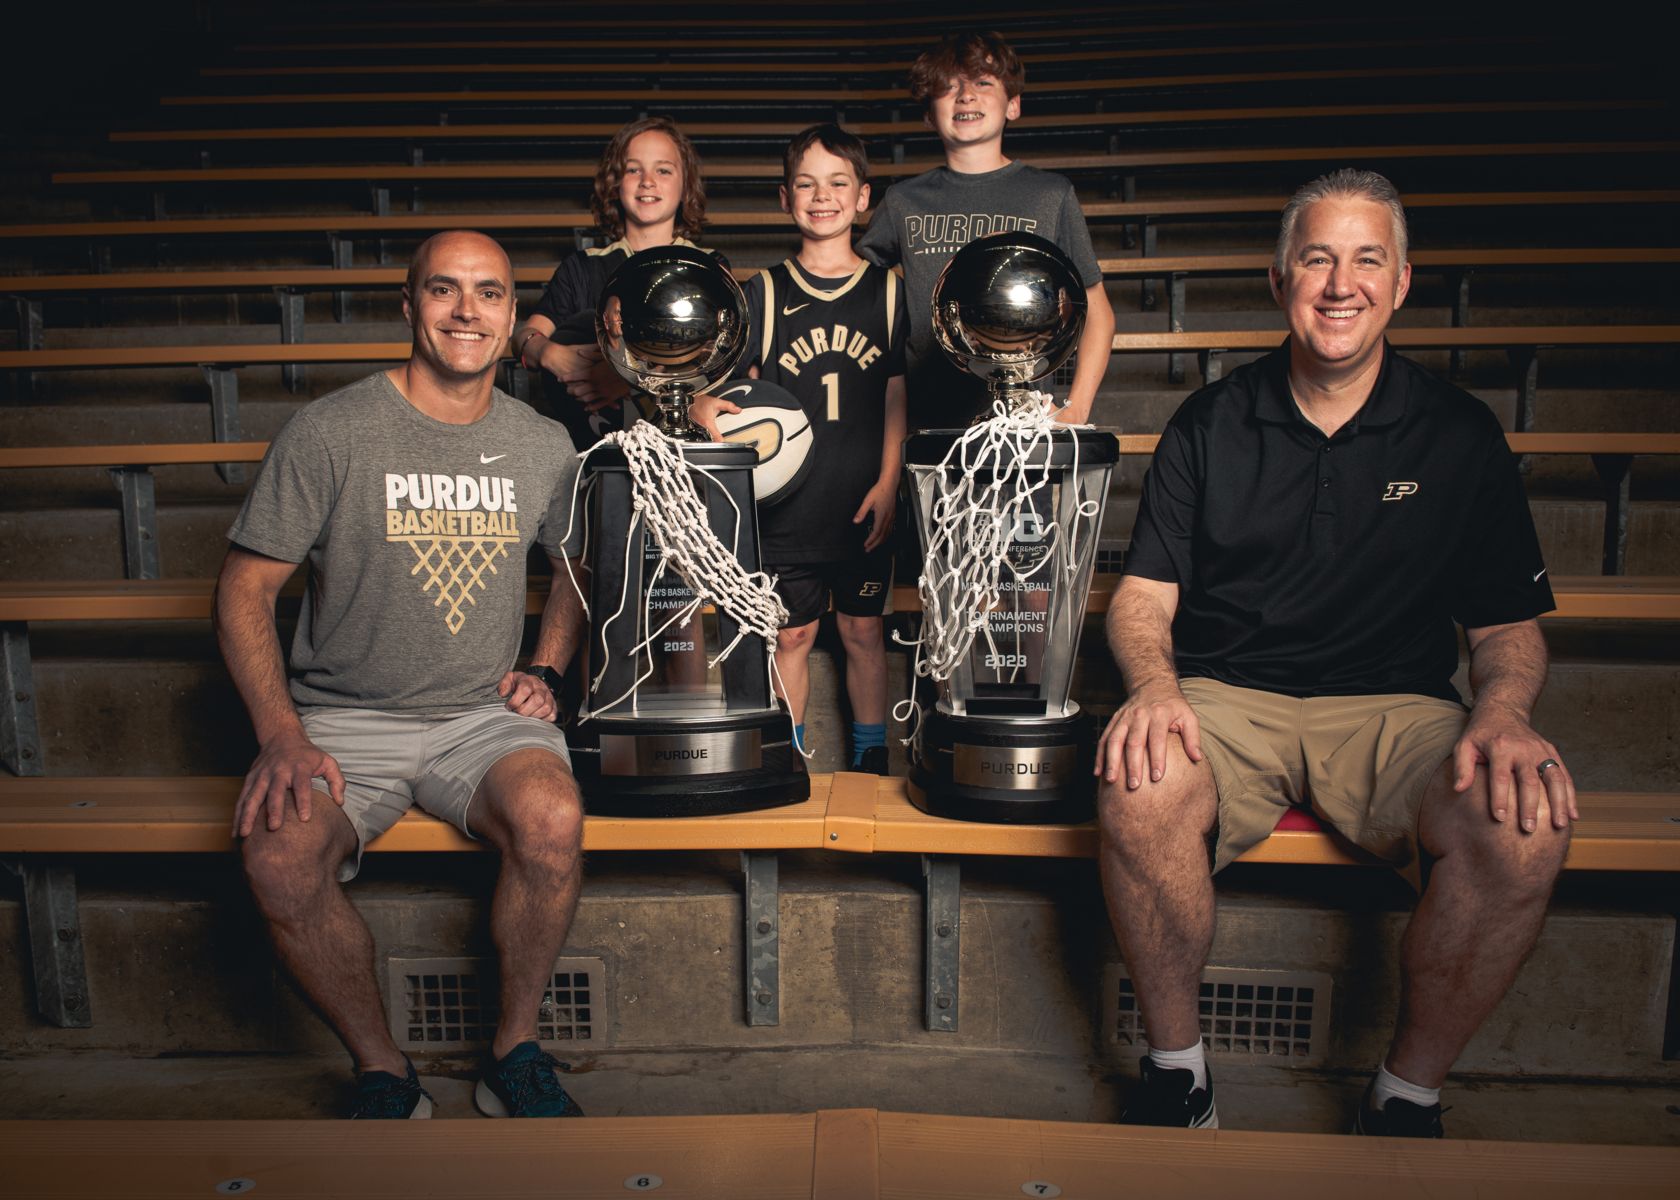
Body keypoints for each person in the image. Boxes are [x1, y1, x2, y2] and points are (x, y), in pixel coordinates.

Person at [1095, 168, 1576, 1136]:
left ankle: (1406, 1095)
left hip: (1395, 709)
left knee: (1524, 822)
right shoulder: (1211, 424)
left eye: (1367, 260)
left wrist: (1504, 715)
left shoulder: (1459, 434)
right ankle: (1179, 1075)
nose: (1340, 283)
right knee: (1136, 780)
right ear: (1280, 282)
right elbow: (1142, 600)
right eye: (1317, 259)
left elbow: (1505, 630)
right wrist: (1153, 687)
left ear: (1401, 284)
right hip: (1229, 695)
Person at [215, 230, 590, 1120]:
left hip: (480, 717)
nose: (468, 311)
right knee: (276, 859)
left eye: (490, 294)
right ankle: (383, 1071)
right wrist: (280, 732)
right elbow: (243, 589)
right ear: (410, 305)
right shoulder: (333, 430)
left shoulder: (543, 444)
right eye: (445, 290)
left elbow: (576, 570)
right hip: (343, 717)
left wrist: (545, 665)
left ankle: (514, 1052)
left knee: (554, 817)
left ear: (511, 318)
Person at [691, 124, 907, 772]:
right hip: (789, 503)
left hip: (864, 492)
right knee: (792, 632)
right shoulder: (764, 292)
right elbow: (723, 387)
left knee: (864, 632)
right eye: (807, 185)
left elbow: (898, 396)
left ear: (863, 198)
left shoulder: (890, 290)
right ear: (786, 198)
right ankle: (786, 760)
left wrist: (891, 482)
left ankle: (871, 759)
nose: (823, 197)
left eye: (838, 183)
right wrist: (702, 404)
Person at [856, 30, 1114, 429]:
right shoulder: (903, 201)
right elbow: (847, 290)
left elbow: (1098, 312)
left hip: (1021, 429)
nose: (965, 96)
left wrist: (1076, 408)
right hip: (925, 422)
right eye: (948, 87)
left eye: (982, 83)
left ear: (1013, 105)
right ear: (928, 114)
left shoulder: (1050, 194)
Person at [514, 116, 727, 449]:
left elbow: (716, 359)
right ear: (615, 183)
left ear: (686, 185)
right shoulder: (582, 267)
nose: (647, 182)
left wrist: (626, 380)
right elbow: (524, 335)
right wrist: (549, 352)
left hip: (676, 447)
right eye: (633, 169)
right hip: (591, 441)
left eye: (664, 170)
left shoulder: (707, 266)